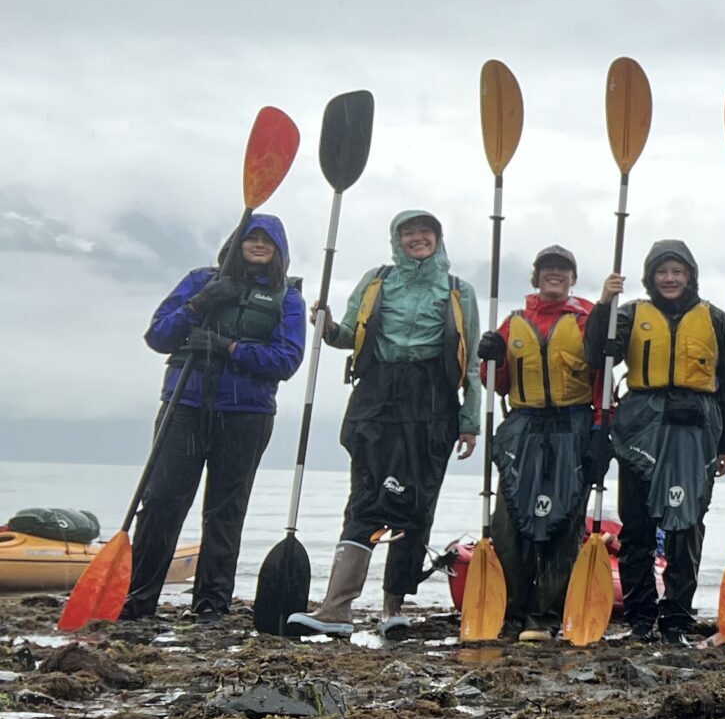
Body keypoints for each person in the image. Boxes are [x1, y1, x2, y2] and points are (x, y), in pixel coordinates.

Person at [121, 213, 306, 623]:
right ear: (236, 242)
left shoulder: (286, 297)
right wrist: (200, 304)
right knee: (162, 502)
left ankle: (211, 603)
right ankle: (138, 599)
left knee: (225, 510)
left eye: (268, 240)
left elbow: (287, 359)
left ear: (279, 250)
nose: (259, 244)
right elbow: (158, 336)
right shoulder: (200, 281)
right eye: (251, 237)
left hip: (245, 416)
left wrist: (230, 348)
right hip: (184, 408)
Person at [308, 210, 479, 636]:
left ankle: (392, 610)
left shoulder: (460, 291)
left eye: (426, 232)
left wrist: (470, 421)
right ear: (396, 240)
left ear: (438, 239)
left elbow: (471, 360)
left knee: (416, 504)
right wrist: (327, 327)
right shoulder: (377, 279)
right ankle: (336, 609)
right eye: (409, 233)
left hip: (434, 402)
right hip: (377, 398)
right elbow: (350, 333)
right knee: (366, 498)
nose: (417, 238)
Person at [589, 241, 725, 642]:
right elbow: (597, 354)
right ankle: (641, 619)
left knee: (685, 525)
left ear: (690, 275)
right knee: (638, 526)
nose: (670, 279)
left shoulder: (716, 319)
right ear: (650, 277)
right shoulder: (629, 314)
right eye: (662, 272)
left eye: (677, 271)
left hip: (696, 427)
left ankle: (676, 620)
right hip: (642, 424)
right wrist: (604, 304)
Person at [475, 245, 601, 635]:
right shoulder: (514, 324)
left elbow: (601, 378)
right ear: (536, 276)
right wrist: (490, 357)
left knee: (564, 522)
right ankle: (510, 612)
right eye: (548, 269)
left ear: (573, 278)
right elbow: (495, 383)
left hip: (572, 427)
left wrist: (600, 430)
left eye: (562, 270)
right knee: (510, 521)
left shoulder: (586, 320)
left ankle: (545, 616)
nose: (555, 275)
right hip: (524, 428)